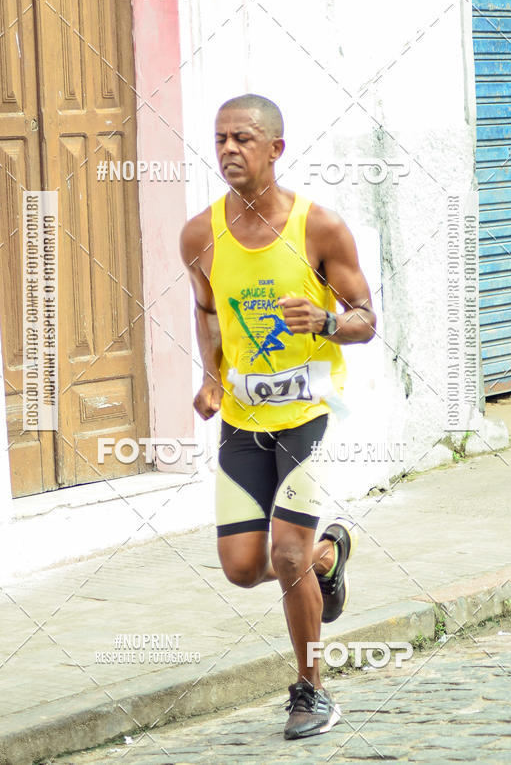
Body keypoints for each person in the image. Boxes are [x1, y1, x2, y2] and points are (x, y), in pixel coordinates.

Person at [179, 93, 376, 740]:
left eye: (242, 138)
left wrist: (325, 321)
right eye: (220, 139)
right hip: (243, 420)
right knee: (242, 567)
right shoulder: (200, 235)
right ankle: (326, 558)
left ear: (275, 149)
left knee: (284, 552)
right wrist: (211, 378)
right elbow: (207, 311)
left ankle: (312, 690)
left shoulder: (320, 228)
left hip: (307, 414)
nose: (229, 149)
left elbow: (365, 319)